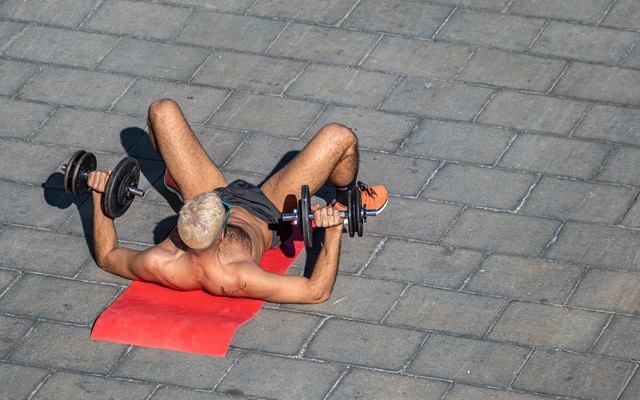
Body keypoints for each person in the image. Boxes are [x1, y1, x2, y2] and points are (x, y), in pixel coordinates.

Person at [88, 99, 388, 304]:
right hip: (267, 210)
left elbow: (107, 256)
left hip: (207, 194)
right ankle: (348, 199)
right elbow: (316, 292)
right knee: (340, 137)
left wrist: (99, 196)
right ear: (219, 236)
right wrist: (333, 232)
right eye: (224, 214)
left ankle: (179, 181)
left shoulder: (159, 262)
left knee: (161, 110)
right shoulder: (237, 277)